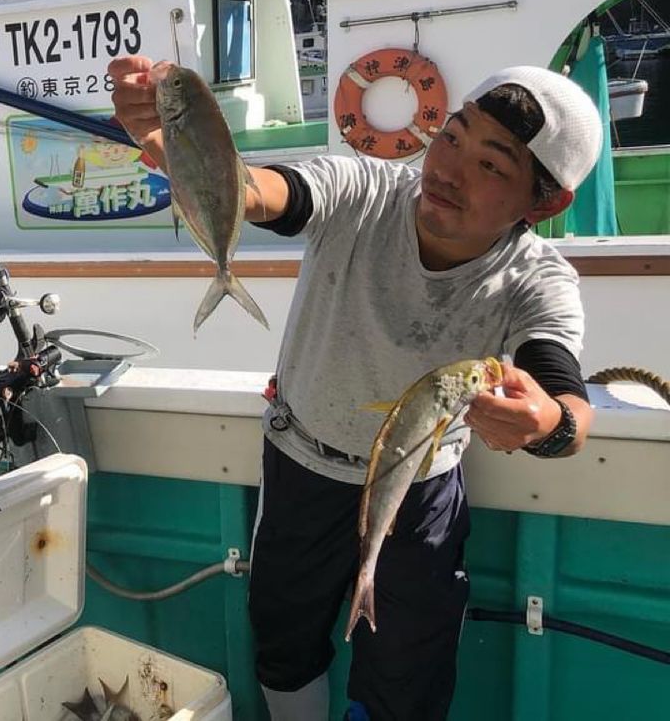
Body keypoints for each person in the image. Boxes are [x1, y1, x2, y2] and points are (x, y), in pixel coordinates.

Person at [109, 56, 599, 720]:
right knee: (284, 639)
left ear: (546, 202)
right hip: (301, 465)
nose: (447, 170)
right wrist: (190, 150)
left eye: (492, 164)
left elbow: (564, 395)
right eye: (451, 137)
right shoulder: (363, 190)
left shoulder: (537, 280)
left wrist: (548, 425)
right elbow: (264, 194)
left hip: (418, 491)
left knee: (408, 673)